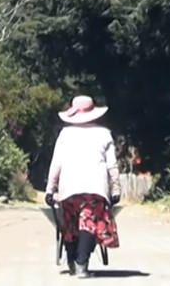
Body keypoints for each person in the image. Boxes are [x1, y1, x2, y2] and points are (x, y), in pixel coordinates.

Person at [45, 95, 121, 278]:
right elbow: (112, 165)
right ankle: (81, 264)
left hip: (69, 190)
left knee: (70, 225)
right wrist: (116, 188)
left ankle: (73, 261)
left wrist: (50, 189)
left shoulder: (65, 134)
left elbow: (56, 164)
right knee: (88, 224)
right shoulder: (104, 134)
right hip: (95, 189)